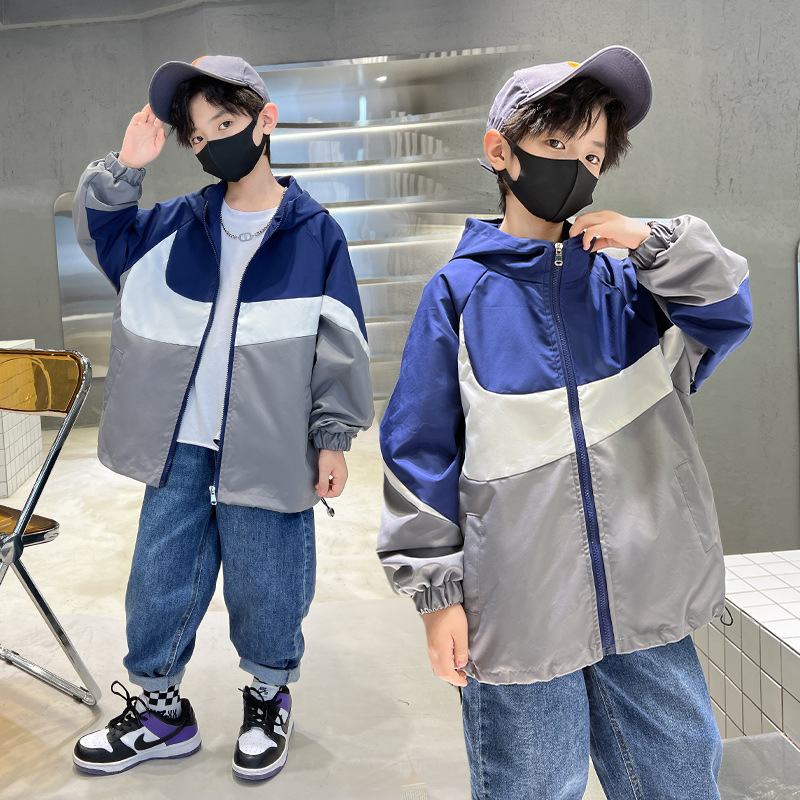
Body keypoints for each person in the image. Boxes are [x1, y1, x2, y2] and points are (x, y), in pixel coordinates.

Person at [378, 45, 752, 799]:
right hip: (520, 611)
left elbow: (727, 310)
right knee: (532, 785)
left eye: (592, 154)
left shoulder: (632, 286)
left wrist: (649, 242)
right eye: (554, 142)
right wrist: (437, 598)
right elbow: (419, 454)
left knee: (681, 776)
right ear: (501, 152)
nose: (576, 167)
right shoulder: (458, 295)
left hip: (648, 599)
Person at [71, 55, 373, 781]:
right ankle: (160, 713)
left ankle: (268, 699)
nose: (212, 142)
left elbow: (341, 342)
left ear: (266, 120)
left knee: (270, 579)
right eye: (199, 136)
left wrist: (332, 438)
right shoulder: (176, 225)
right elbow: (104, 237)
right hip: (180, 441)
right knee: (159, 575)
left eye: (226, 122)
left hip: (270, 442)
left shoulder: (316, 233)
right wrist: (126, 165)